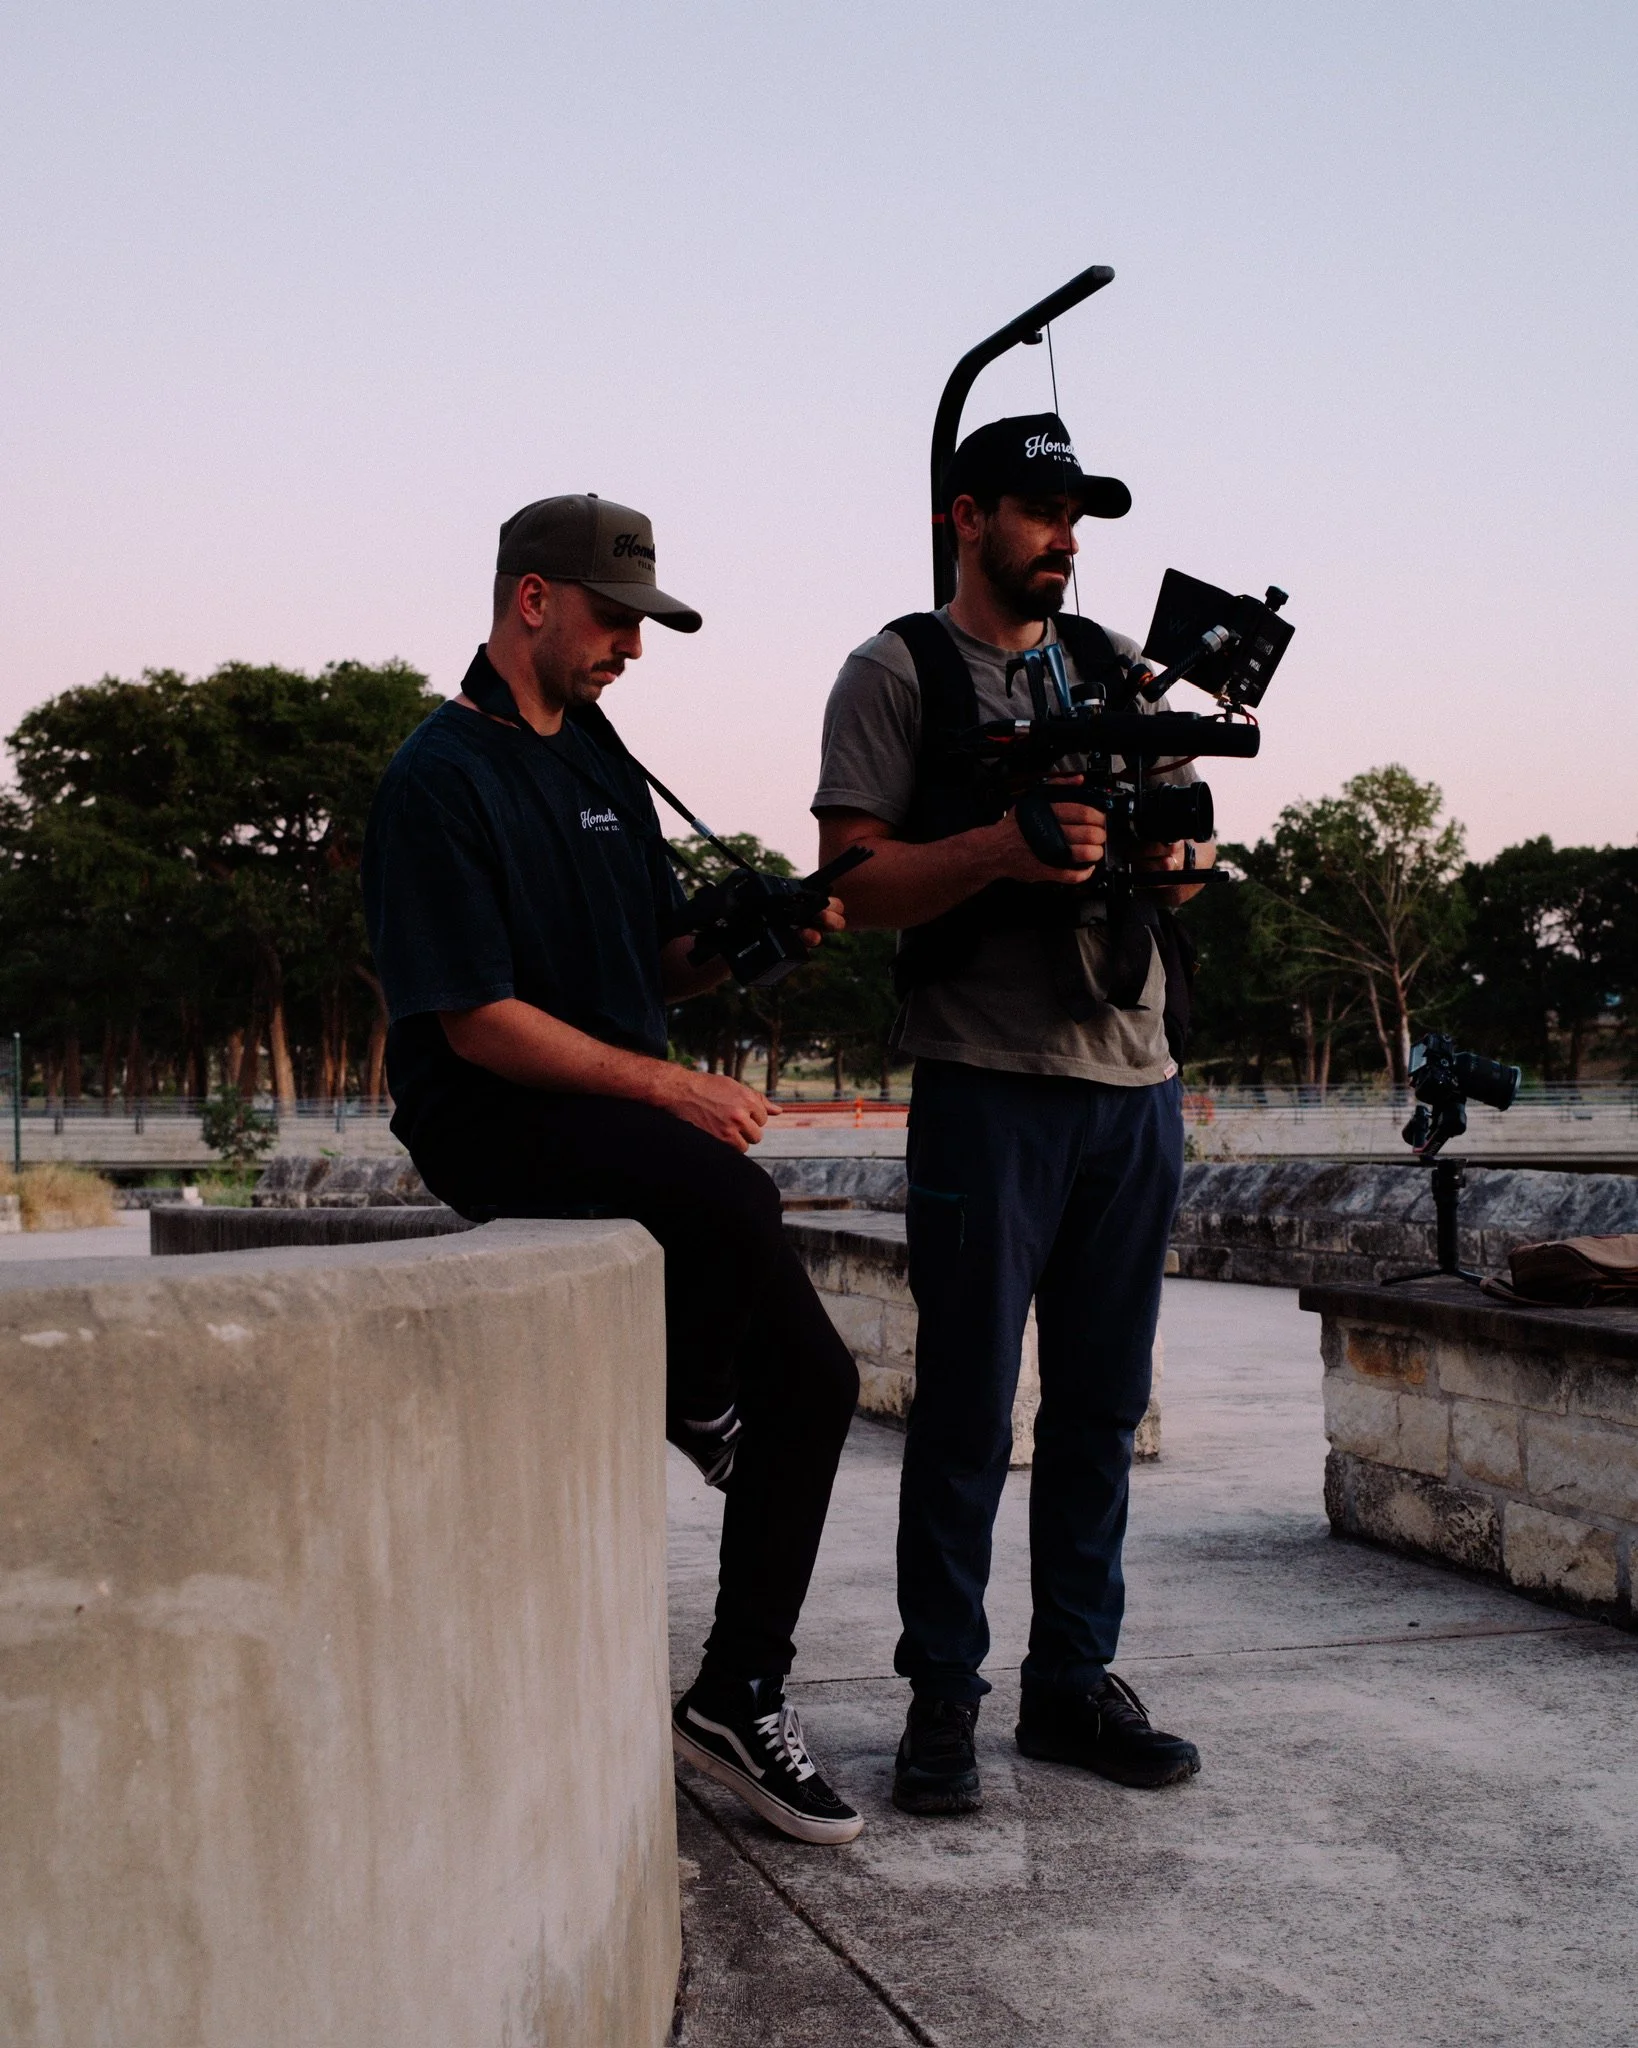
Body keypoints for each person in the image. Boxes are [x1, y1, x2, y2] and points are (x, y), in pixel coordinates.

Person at [362, 493, 864, 1845]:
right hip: (486, 1111)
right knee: (728, 1190)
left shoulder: (593, 754)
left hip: (603, 1106)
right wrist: (672, 1087)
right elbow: (478, 1019)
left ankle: (733, 1696)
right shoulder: (436, 778)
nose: (628, 649)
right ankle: (696, 1403)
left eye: (640, 626)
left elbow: (653, 970)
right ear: (532, 599)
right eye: (611, 619)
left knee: (818, 1384)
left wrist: (751, 939)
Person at [812, 415, 1211, 1815]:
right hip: (986, 1088)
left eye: (1077, 516)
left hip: (1133, 1083)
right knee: (970, 1411)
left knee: (1100, 1409)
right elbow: (849, 888)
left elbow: (1173, 867)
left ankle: (1069, 1688)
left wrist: (1173, 859)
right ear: (964, 516)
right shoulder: (896, 672)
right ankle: (941, 1698)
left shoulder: (1108, 667)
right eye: (1039, 512)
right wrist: (999, 847)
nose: (1064, 538)